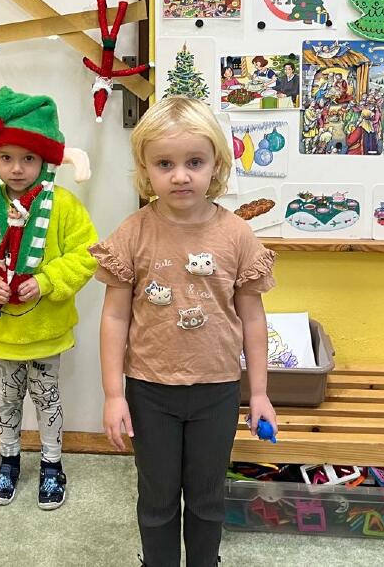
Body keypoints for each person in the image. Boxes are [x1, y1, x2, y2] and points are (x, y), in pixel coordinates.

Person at [93, 96, 277, 566]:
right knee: (156, 500)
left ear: (216, 164)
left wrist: (259, 393)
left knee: (207, 498)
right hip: (149, 391)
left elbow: (253, 318)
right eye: (165, 164)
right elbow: (114, 318)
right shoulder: (133, 233)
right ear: (145, 168)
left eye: (194, 162)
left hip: (217, 391)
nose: (180, 176)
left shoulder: (237, 235)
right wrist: (113, 395)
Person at [0, 87, 98, 511]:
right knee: (8, 398)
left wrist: (47, 280)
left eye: (28, 158)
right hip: (3, 333)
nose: (17, 169)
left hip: (47, 332)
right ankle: (9, 459)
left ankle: (52, 464)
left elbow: (87, 254)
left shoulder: (64, 207)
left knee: (47, 398)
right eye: (6, 157)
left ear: (46, 160)